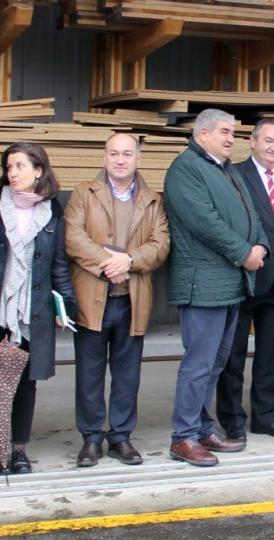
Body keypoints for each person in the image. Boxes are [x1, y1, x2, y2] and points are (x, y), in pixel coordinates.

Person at [163, 109, 267, 467]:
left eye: (233, 133)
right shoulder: (185, 170)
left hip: (228, 283)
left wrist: (262, 246)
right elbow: (204, 222)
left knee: (216, 363)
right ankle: (184, 436)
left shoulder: (226, 170)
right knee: (199, 363)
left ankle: (204, 429)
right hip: (203, 282)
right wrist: (244, 254)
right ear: (202, 133)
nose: (230, 139)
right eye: (224, 132)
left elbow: (252, 214)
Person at [0, 142, 76, 475]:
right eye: (9, 167)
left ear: (38, 171)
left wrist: (65, 303)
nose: (12, 173)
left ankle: (18, 449)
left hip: (34, 308)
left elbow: (58, 262)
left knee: (26, 381)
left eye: (19, 166)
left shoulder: (52, 210)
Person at [65, 133, 169, 468]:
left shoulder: (152, 200)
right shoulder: (84, 193)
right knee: (89, 374)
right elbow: (73, 237)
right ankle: (92, 438)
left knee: (128, 374)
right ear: (105, 157)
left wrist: (130, 261)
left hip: (132, 299)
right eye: (113, 153)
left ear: (139, 159)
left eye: (127, 154)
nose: (120, 159)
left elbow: (161, 244)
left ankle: (121, 437)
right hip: (92, 296)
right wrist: (110, 265)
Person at [216, 119, 274, 440]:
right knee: (233, 354)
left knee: (272, 354)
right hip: (244, 278)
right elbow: (226, 223)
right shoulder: (234, 175)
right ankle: (231, 420)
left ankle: (265, 418)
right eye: (268, 141)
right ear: (253, 142)